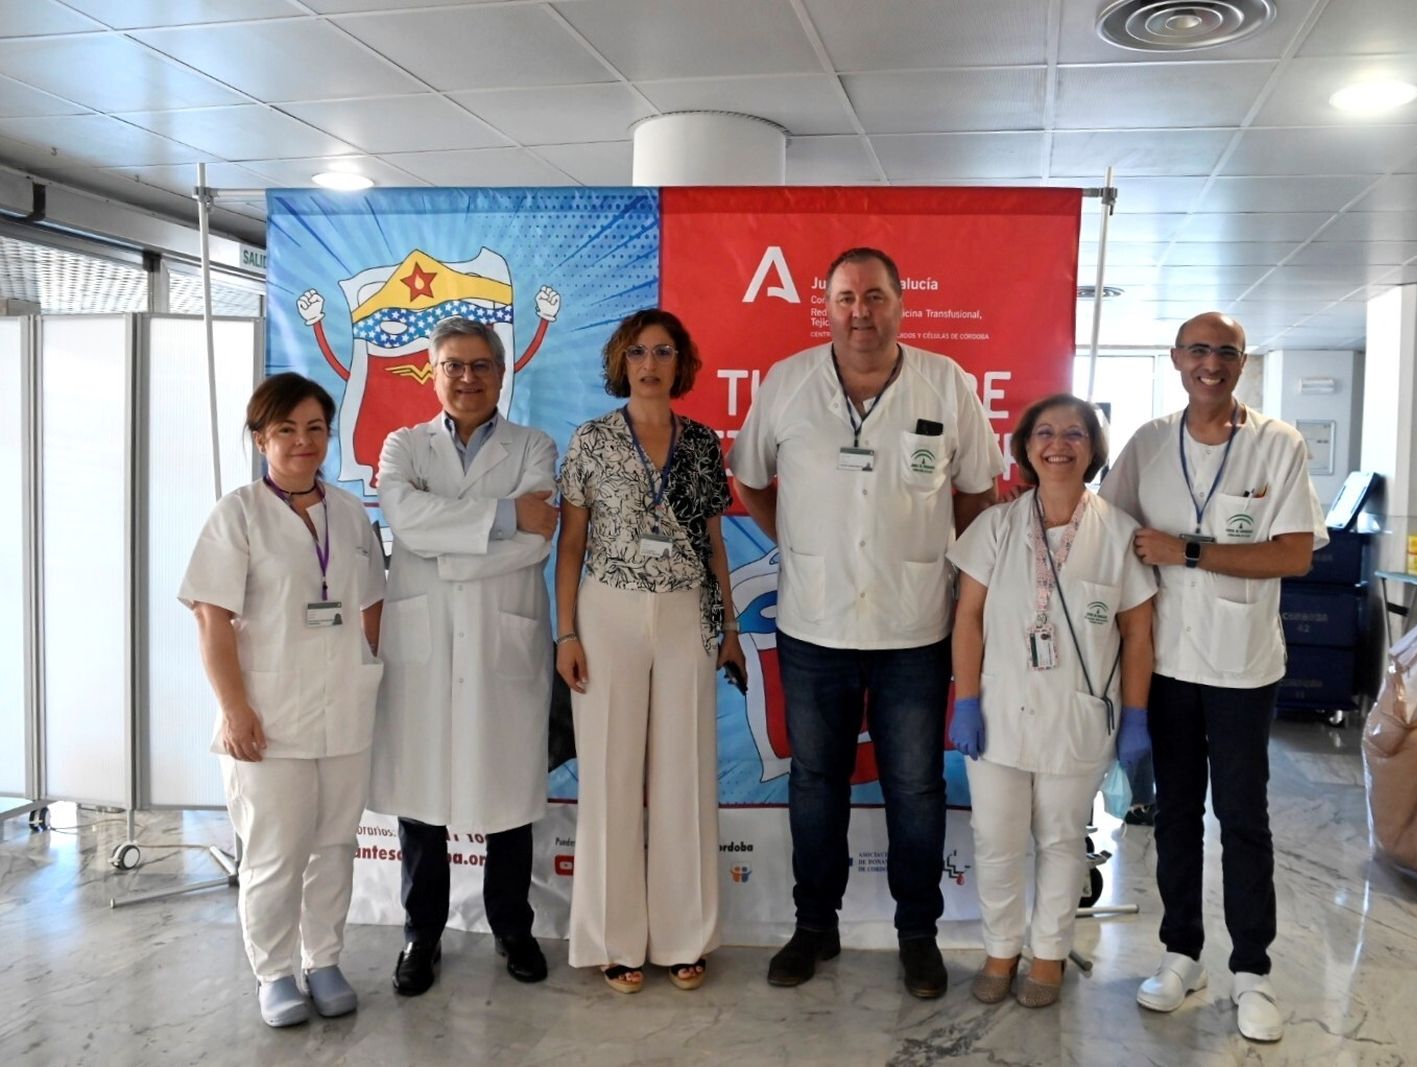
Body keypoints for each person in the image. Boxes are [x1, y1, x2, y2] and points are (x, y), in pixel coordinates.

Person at [730, 247, 1002, 998]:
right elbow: (750, 478)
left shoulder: (946, 383)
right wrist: (797, 542)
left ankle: (919, 934)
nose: (861, 312)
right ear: (826, 307)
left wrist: (946, 563)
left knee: (915, 786)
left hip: (915, 628)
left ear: (900, 304)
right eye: (846, 297)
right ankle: (814, 926)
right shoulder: (787, 382)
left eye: (875, 296)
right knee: (816, 783)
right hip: (812, 626)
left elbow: (977, 492)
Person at [1098, 311, 1326, 1043]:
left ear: (1242, 363)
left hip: (1242, 665)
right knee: (1173, 814)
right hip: (1164, 661)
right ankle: (1182, 953)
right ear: (1175, 358)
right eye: (1198, 349)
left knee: (1242, 815)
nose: (1211, 363)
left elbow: (1293, 553)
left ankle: (1252, 970)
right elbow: (1109, 534)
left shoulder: (1277, 444)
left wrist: (1188, 551)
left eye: (1226, 352)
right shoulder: (1147, 443)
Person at [180, 372, 386, 1027]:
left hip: (343, 708)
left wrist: (364, 668)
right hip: (268, 714)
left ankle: (324, 960)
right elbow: (211, 617)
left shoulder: (349, 513)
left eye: (315, 428)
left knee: (335, 845)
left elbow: (371, 603)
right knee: (275, 853)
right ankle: (274, 973)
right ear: (260, 438)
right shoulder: (238, 513)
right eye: (287, 429)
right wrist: (235, 708)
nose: (303, 441)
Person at [368, 315, 560, 996]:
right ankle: (421, 933)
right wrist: (502, 517)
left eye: (481, 365)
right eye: (453, 365)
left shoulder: (534, 445)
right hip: (425, 642)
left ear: (502, 373)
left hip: (500, 637)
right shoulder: (403, 445)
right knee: (422, 795)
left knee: (506, 788)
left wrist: (443, 551)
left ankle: (512, 927)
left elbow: (538, 542)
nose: (467, 378)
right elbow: (403, 518)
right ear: (434, 371)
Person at [555, 309, 742, 994]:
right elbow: (570, 543)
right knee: (609, 771)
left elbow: (713, 540)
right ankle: (613, 938)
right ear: (620, 362)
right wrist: (566, 633)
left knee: (683, 771)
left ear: (680, 363)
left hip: (686, 610)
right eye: (637, 352)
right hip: (607, 611)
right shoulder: (592, 439)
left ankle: (684, 936)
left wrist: (728, 628)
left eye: (663, 352)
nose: (650, 364)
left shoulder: (702, 442)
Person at [947, 393, 1155, 1008]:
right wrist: (966, 701)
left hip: (1077, 715)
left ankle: (1048, 956)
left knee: (1062, 841)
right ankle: (1000, 949)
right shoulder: (997, 526)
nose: (1057, 444)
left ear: (1093, 450)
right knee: (996, 839)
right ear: (1026, 448)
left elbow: (1138, 633)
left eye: (1074, 434)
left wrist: (1136, 717)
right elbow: (968, 619)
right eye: (1044, 433)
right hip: (999, 714)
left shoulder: (1119, 534)